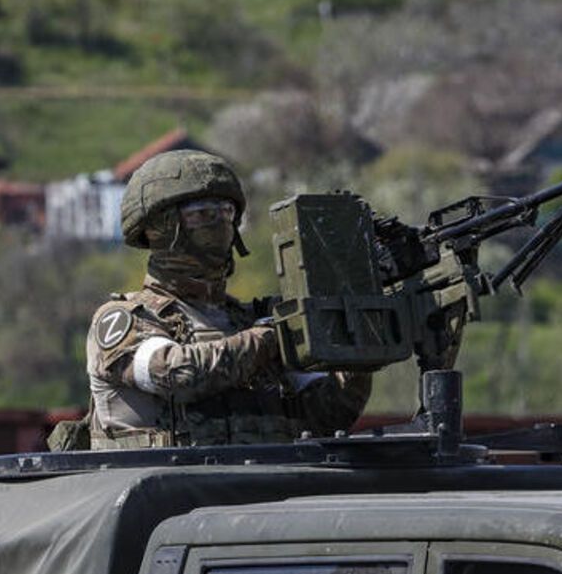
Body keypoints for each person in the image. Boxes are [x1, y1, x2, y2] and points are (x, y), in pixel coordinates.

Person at [77, 149, 372, 450]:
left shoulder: (248, 319)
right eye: (203, 214)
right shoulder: (124, 319)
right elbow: (176, 374)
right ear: (161, 228)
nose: (219, 224)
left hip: (265, 490)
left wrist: (354, 351)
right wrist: (270, 337)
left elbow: (325, 416)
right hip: (167, 492)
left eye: (226, 213)